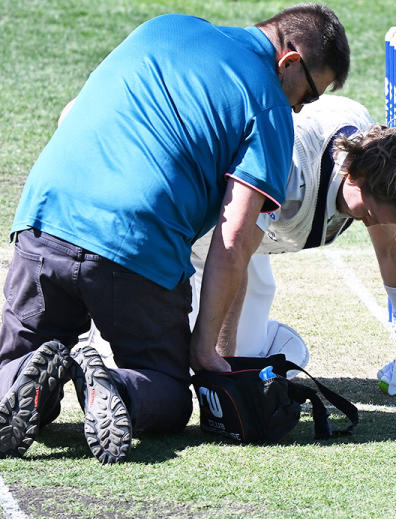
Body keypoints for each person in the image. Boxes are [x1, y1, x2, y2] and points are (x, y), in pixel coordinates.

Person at [0, 4, 350, 464]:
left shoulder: (165, 27)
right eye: (307, 94)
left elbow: (73, 113)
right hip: (136, 245)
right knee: (166, 392)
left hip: (44, 218)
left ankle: (24, 372)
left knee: (15, 357)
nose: (302, 108)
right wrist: (204, 346)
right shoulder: (270, 107)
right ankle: (112, 386)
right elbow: (235, 236)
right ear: (288, 62)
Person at [186, 94, 396, 395]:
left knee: (240, 358)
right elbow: (231, 252)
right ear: (356, 176)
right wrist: (225, 371)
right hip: (204, 229)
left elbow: (392, 249)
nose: (372, 224)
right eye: (369, 214)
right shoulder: (289, 167)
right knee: (193, 368)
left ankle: (263, 344)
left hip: (248, 238)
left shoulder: (374, 168)